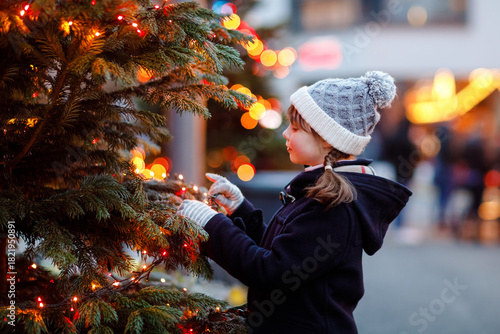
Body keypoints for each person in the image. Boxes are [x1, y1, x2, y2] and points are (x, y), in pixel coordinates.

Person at [178, 71, 412, 333]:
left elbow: (270, 272)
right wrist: (240, 209)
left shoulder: (333, 206)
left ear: (326, 137)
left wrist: (211, 223)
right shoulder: (319, 189)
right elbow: (288, 253)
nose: (286, 134)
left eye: (296, 128)